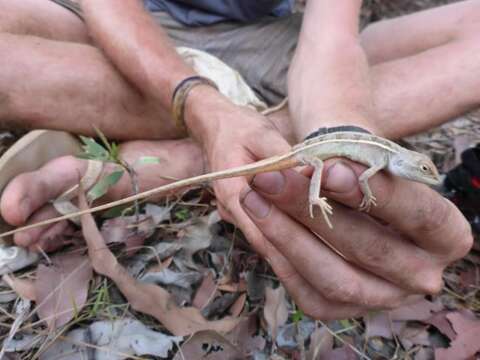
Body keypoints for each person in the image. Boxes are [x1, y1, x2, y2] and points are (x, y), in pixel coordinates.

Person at [0, 0, 475, 319]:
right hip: (139, 30)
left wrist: (343, 125)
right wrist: (199, 102)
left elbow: (329, 42)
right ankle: (230, 129)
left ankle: (174, 157)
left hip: (275, 44)